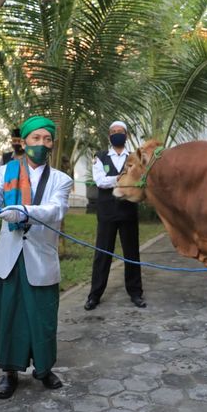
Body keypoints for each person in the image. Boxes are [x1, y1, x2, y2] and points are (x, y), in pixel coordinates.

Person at [0, 115, 72, 400]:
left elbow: (56, 210)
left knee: (42, 317)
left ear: (51, 143)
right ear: (24, 141)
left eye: (46, 139)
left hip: (40, 258)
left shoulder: (61, 179)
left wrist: (24, 211)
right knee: (9, 315)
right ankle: (9, 372)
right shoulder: (6, 172)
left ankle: (44, 369)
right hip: (9, 257)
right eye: (35, 138)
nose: (41, 144)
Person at [84, 121, 146, 311]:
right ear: (109, 136)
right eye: (113, 132)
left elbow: (139, 179)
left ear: (126, 135)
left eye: (120, 132)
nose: (117, 134)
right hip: (107, 212)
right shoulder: (100, 157)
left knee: (132, 253)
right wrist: (120, 178)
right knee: (102, 253)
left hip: (128, 210)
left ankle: (136, 293)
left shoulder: (134, 156)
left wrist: (124, 179)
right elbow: (100, 181)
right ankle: (94, 295)